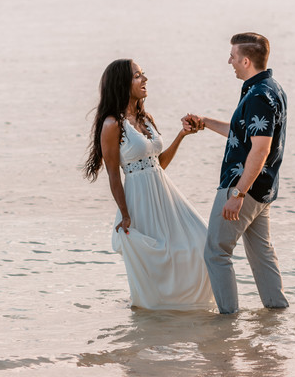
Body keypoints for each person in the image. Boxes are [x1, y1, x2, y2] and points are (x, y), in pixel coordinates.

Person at [84, 59, 215, 310]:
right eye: (137, 76)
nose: (144, 80)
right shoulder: (112, 125)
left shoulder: (146, 118)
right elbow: (113, 174)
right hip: (139, 199)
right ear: (123, 83)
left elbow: (159, 163)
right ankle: (154, 314)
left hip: (163, 193)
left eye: (143, 74)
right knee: (158, 258)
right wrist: (125, 213)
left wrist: (181, 135)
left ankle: (187, 308)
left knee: (202, 239)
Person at [183, 32, 289, 314]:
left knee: (216, 253)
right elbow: (245, 134)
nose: (228, 61)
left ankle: (227, 323)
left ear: (245, 60)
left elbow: (260, 150)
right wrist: (204, 123)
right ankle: (277, 316)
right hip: (262, 189)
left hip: (244, 187)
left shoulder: (259, 95)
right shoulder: (269, 88)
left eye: (232, 56)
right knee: (261, 255)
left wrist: (238, 193)